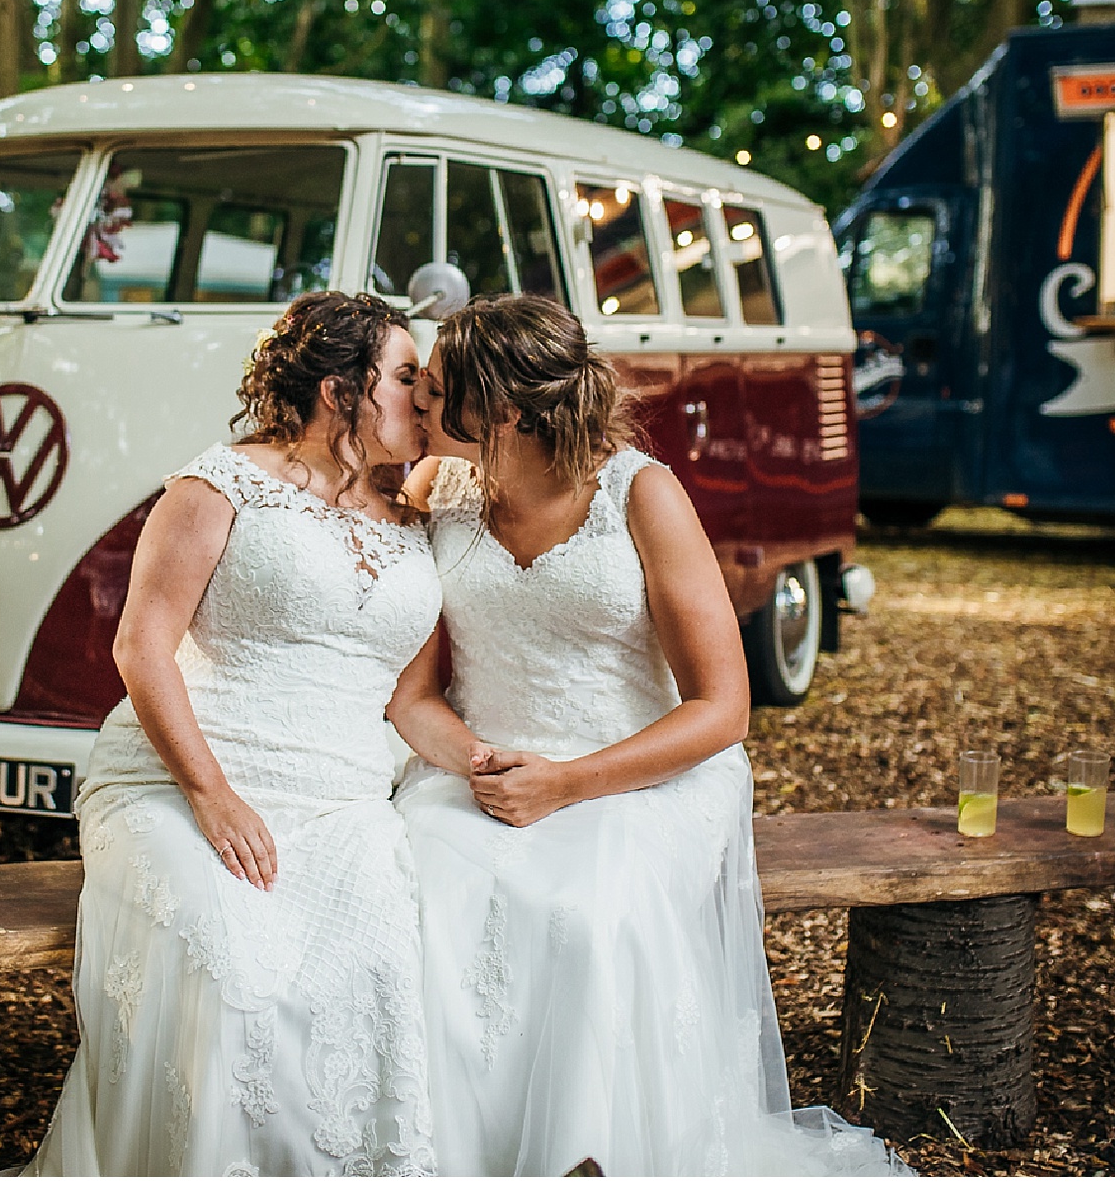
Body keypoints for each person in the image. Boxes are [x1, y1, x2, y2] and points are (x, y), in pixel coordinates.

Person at [389, 294, 909, 1177]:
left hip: (644, 773)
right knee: (414, 890)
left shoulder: (640, 493)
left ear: (504, 410)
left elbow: (722, 708)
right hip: (481, 769)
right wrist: (486, 766)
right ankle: (456, 1153)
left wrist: (566, 782)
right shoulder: (437, 490)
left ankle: (595, 1155)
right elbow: (413, 693)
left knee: (586, 916)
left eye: (437, 390)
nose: (417, 405)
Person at [27, 291, 441, 1176]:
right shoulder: (216, 485)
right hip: (181, 781)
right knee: (224, 968)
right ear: (341, 390)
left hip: (342, 801)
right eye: (406, 377)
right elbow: (141, 648)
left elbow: (411, 697)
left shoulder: (419, 515)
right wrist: (211, 798)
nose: (426, 393)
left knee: (376, 965)